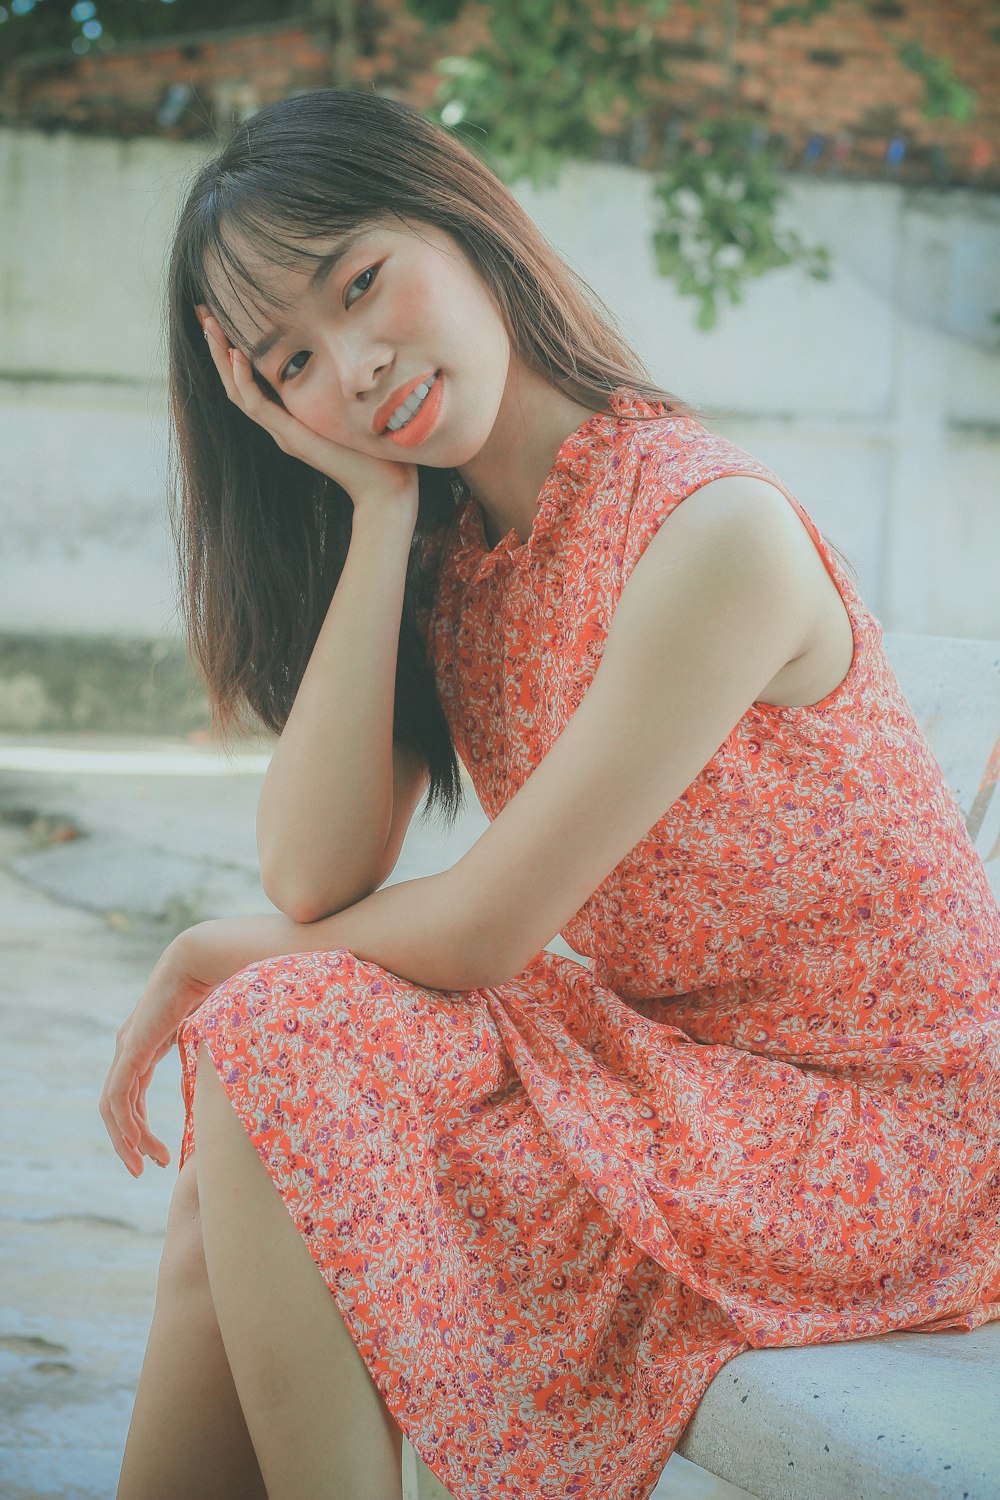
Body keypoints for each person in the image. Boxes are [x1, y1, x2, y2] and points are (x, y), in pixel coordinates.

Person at [99, 88, 1000, 1500]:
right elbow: (311, 875)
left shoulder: (708, 528)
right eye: (294, 363)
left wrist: (211, 958)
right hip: (693, 1098)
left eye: (361, 283)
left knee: (272, 1031)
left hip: (878, 1151)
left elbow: (479, 937)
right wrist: (379, 510)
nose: (357, 361)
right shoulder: (453, 554)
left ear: (465, 222)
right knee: (259, 1106)